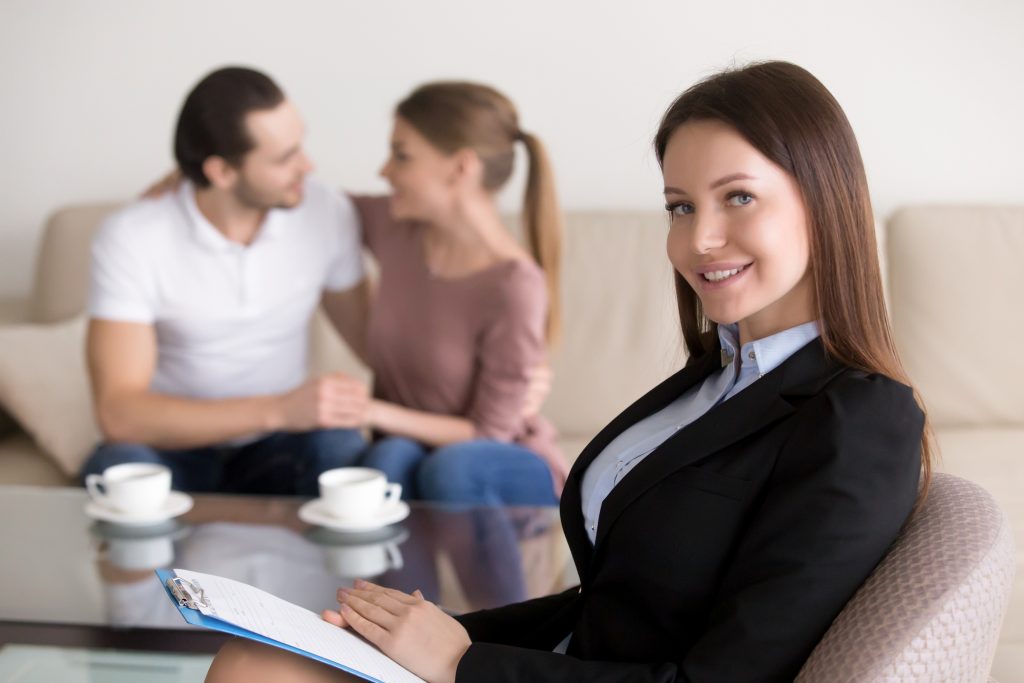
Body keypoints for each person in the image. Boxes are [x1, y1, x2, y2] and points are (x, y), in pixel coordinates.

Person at [207, 60, 932, 682]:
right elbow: (613, 603)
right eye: (680, 206)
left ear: (821, 197)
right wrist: (438, 631)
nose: (699, 239)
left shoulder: (861, 420)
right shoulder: (716, 375)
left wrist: (463, 662)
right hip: (559, 662)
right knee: (251, 657)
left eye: (738, 196)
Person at [80, 67, 372, 496]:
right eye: (283, 158)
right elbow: (120, 413)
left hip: (279, 449)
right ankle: (163, 569)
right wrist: (277, 409)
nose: (306, 167)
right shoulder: (133, 237)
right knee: (118, 469)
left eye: (300, 146)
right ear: (221, 172)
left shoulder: (325, 212)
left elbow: (377, 342)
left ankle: (324, 566)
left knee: (341, 450)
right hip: (173, 449)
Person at [337, 81, 569, 505]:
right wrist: (183, 180)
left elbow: (490, 432)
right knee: (387, 458)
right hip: (408, 451)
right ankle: (392, 578)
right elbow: (299, 198)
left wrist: (371, 411)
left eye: (401, 155)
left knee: (449, 466)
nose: (384, 171)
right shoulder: (395, 227)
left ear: (461, 167)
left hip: (496, 466)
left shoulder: (513, 286)